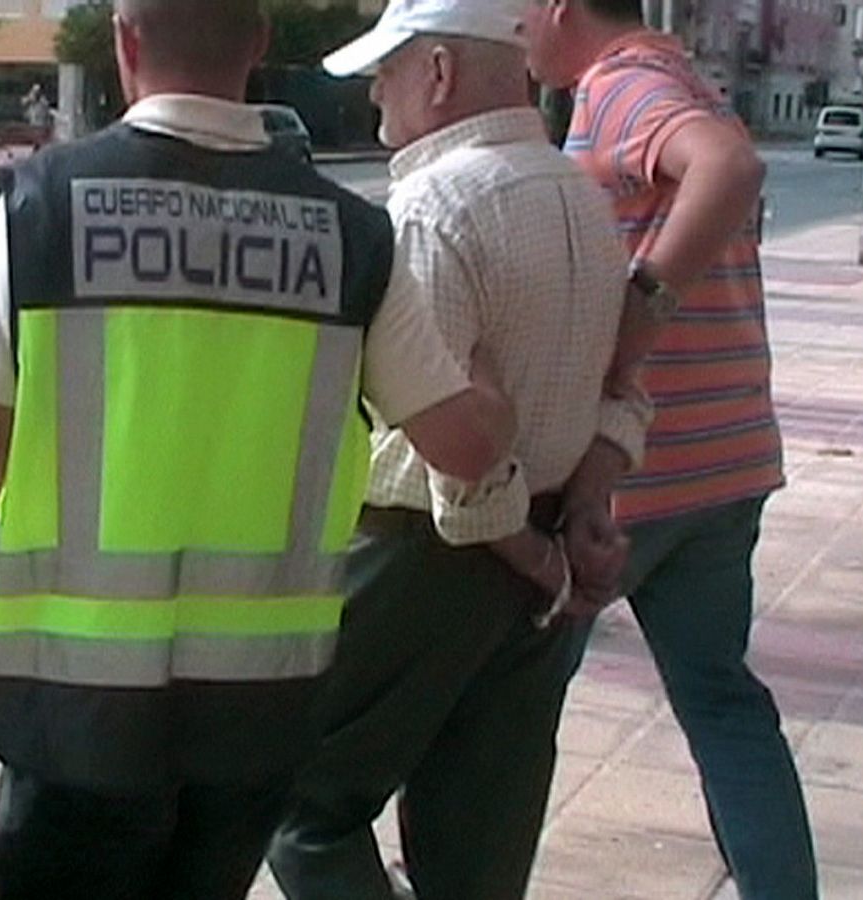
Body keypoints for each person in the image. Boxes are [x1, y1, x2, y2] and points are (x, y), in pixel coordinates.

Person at [0, 1, 522, 897]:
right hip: (255, 711)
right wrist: (486, 368)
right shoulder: (348, 236)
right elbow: (467, 448)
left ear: (126, 42)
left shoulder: (47, 205)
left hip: (70, 710)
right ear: (257, 45)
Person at [265, 1, 648, 898]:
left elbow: (456, 463)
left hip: (423, 562)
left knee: (301, 803)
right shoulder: (581, 199)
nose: (373, 94)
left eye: (385, 71)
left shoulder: (431, 210)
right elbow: (622, 386)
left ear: (437, 73)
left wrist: (540, 556)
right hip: (537, 572)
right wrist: (579, 519)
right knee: (476, 847)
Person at [524, 0, 817, 897]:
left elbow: (728, 169)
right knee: (722, 701)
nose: (515, 32)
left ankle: (467, 868)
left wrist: (638, 310)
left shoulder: (622, 86)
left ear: (560, 8)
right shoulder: (683, 76)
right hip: (724, 461)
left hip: (635, 474)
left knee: (513, 704)